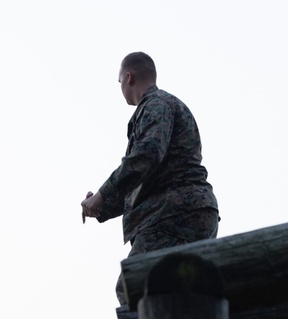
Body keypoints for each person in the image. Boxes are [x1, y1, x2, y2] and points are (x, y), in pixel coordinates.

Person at [80, 51, 219, 306]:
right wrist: (101, 207)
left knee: (133, 288)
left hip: (172, 215)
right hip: (186, 212)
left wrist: (102, 193)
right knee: (180, 298)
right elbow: (144, 179)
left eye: (119, 80)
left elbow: (145, 156)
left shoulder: (156, 105)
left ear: (129, 78)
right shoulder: (162, 106)